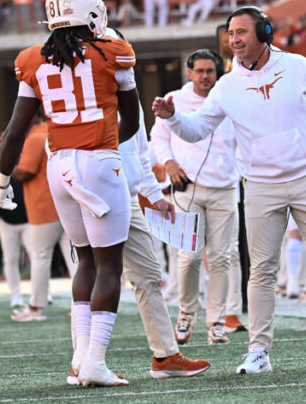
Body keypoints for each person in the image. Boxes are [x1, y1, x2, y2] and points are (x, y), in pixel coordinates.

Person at [152, 5, 306, 374]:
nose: (234, 40)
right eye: (231, 34)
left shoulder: (297, 66)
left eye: (242, 32)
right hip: (260, 185)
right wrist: (173, 118)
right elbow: (197, 129)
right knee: (261, 270)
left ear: (264, 32)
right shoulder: (227, 84)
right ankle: (258, 351)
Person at [0, 0, 170, 387]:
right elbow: (132, 118)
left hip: (60, 167)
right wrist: (104, 147)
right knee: (110, 265)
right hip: (98, 161)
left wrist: (2, 183)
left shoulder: (32, 60)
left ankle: (79, 357)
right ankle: (94, 360)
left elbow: (15, 132)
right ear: (92, 13)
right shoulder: (113, 51)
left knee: (85, 260)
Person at [112, 27, 211, 378]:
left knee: (130, 274)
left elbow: (138, 150)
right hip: (100, 189)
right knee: (115, 275)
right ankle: (89, 358)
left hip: (101, 188)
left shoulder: (114, 90)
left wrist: (153, 194)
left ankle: (160, 356)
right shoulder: (98, 88)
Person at [150, 49, 239, 347]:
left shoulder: (231, 96)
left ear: (218, 73)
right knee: (188, 257)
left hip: (226, 188)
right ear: (189, 73)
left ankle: (216, 323)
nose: (205, 76)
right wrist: (168, 163)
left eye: (210, 71)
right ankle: (186, 314)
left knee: (221, 259)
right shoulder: (174, 99)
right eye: (199, 71)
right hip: (188, 188)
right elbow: (158, 137)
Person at [9, 116, 78, 322]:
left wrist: (3, 164)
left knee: (40, 256)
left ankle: (36, 307)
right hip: (70, 200)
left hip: (45, 205)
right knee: (75, 258)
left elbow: (24, 172)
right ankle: (83, 307)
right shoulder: (63, 130)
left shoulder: (36, 136)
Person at [0, 140, 31, 308]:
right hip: (6, 219)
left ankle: (41, 292)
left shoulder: (27, 162)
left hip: (29, 218)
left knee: (37, 257)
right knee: (10, 258)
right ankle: (15, 295)